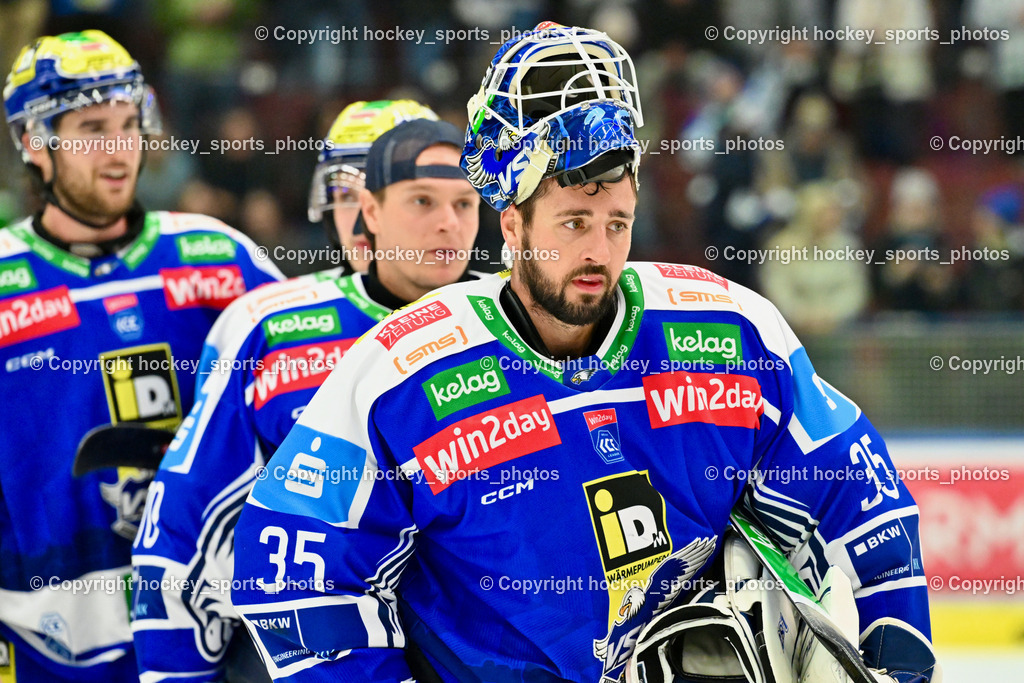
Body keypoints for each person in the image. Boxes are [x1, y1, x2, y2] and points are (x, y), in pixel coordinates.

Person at [231, 24, 939, 682]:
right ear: (511, 222)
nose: (598, 252)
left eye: (617, 222)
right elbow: (291, 572)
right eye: (572, 222)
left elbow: (867, 503)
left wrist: (899, 663)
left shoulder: (733, 333)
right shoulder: (400, 371)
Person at [131, 108, 482, 681]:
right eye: (347, 193)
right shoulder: (269, 324)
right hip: (302, 652)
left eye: (442, 199)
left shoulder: (506, 317)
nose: (361, 222)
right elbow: (182, 522)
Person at [0, 30, 282, 681]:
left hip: (202, 630)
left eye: (130, 123)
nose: (121, 147)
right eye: (93, 127)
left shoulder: (217, 255)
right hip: (39, 643)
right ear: (36, 144)